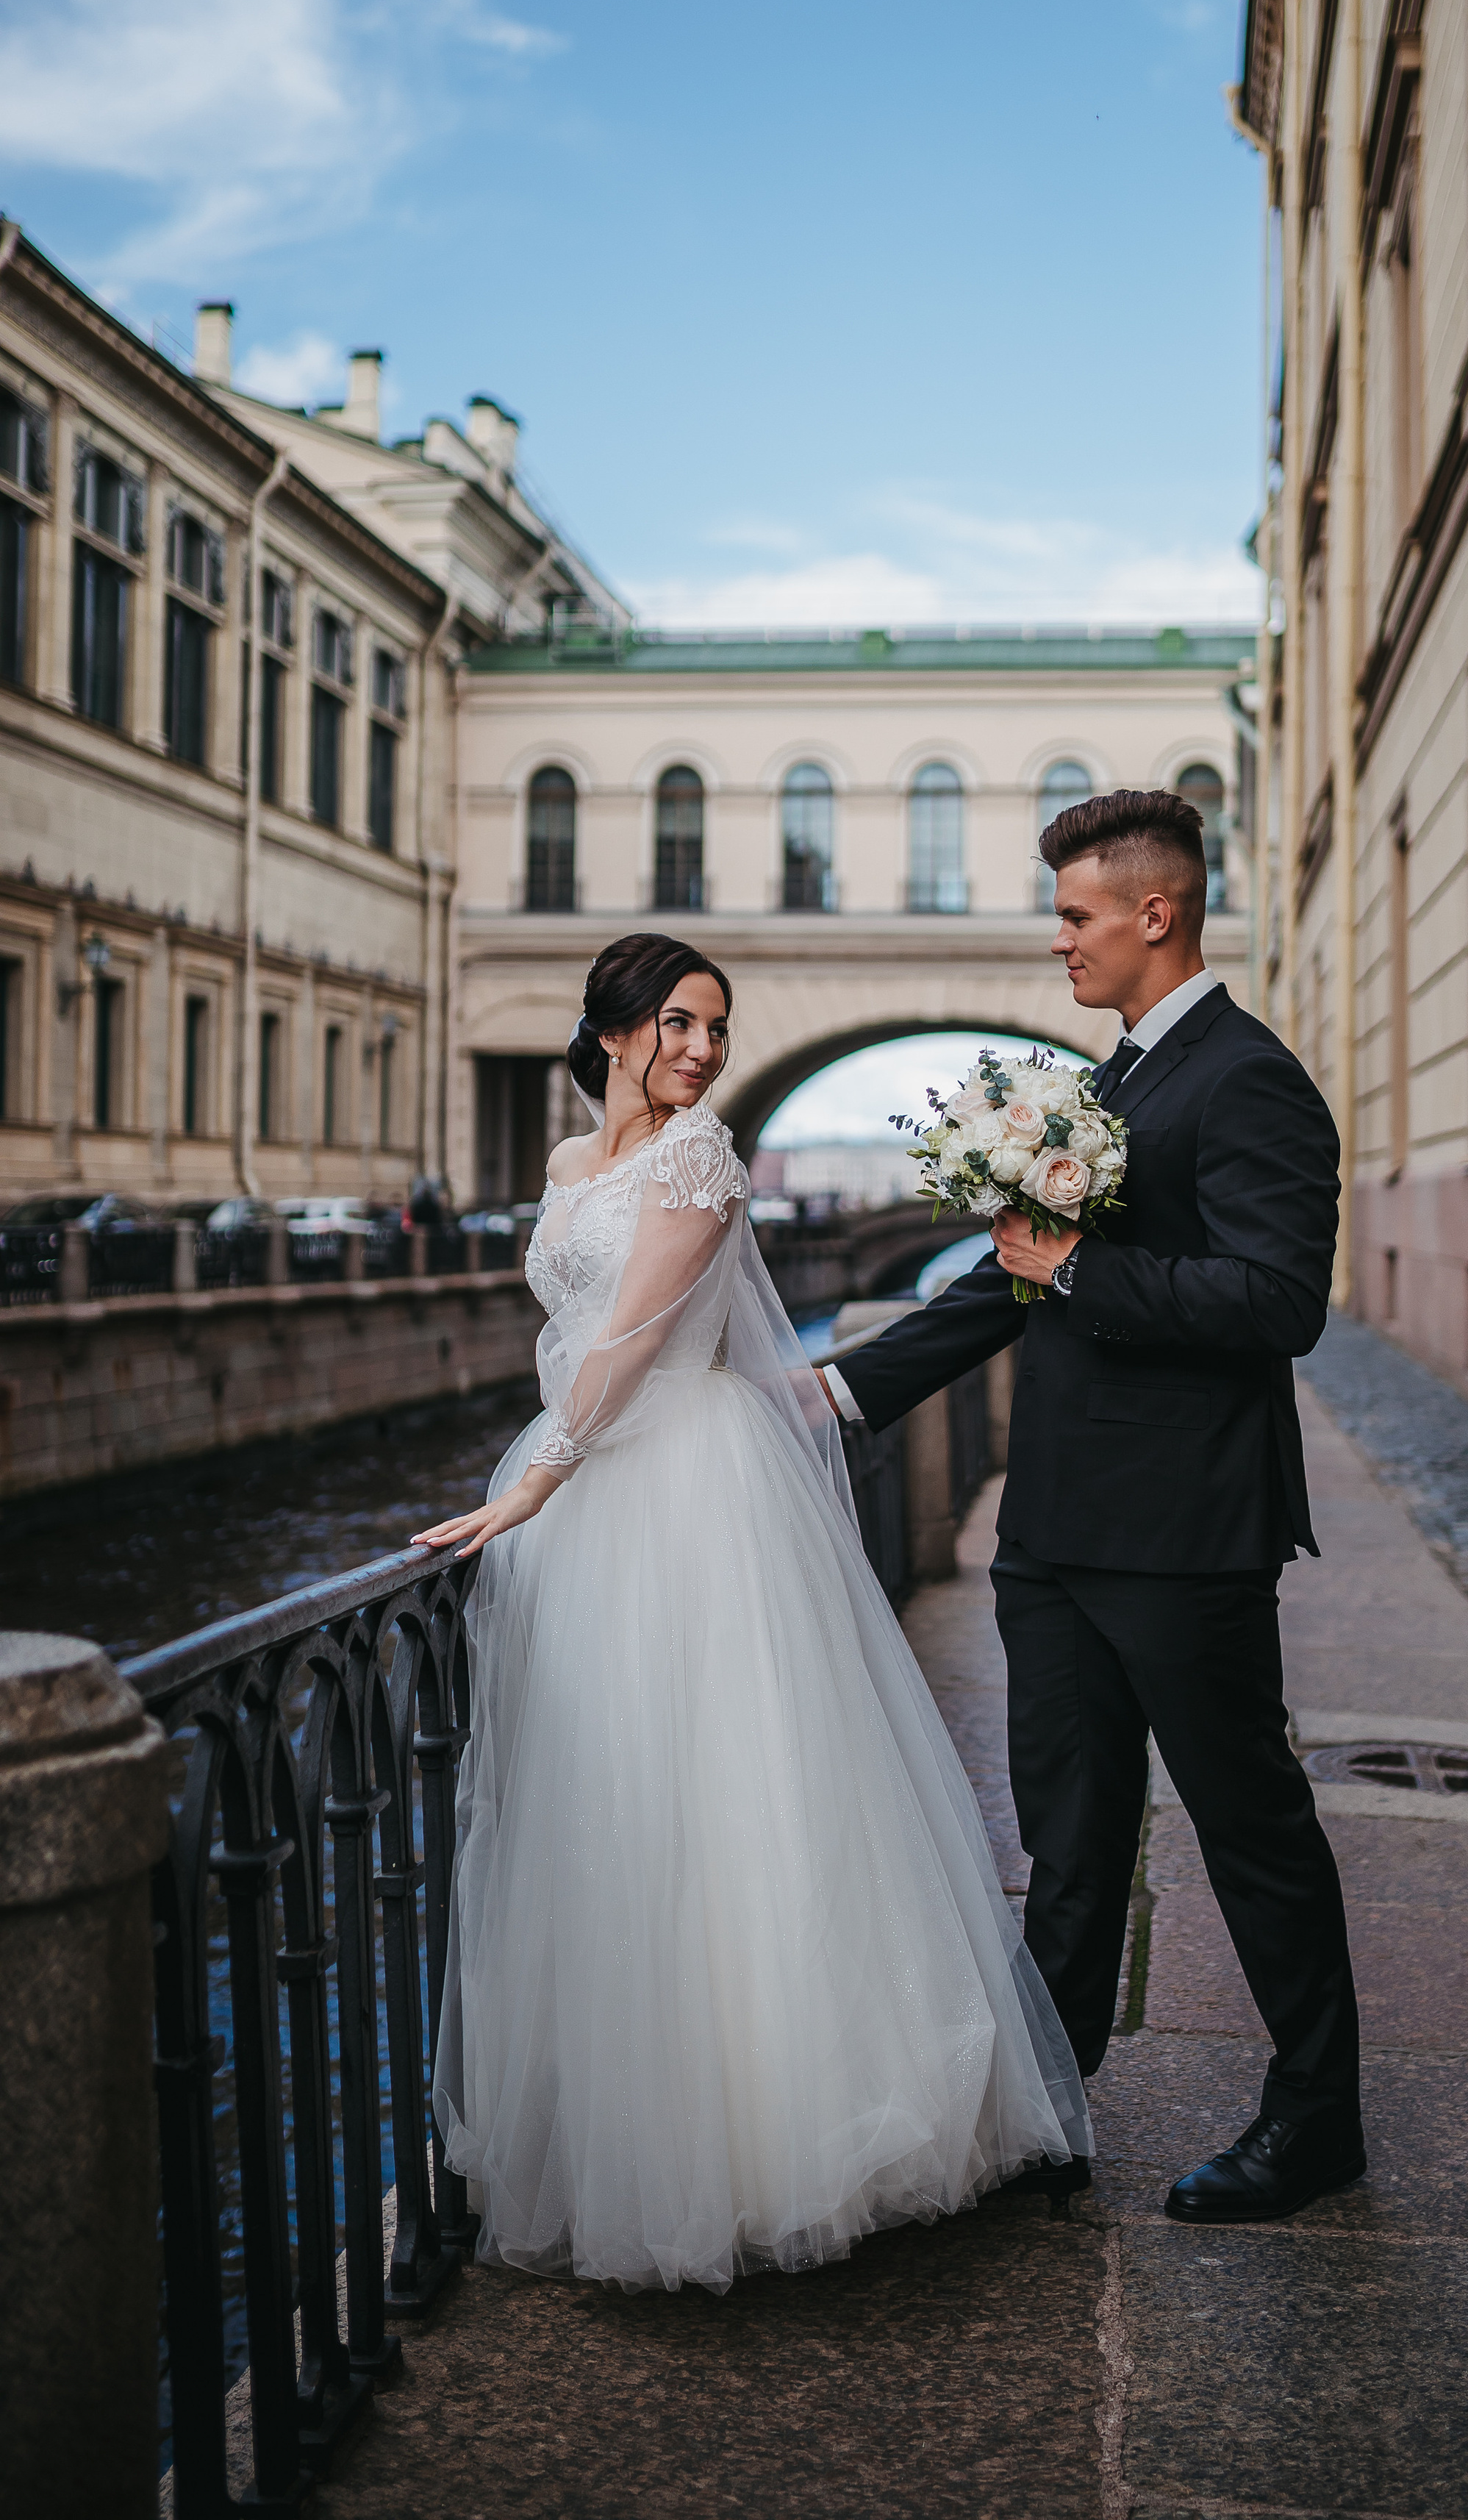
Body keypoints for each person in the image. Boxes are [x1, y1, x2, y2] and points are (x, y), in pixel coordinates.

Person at [413, 935, 1086, 2295]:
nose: (703, 1050)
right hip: (604, 1493)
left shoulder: (700, 1160)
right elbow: (579, 1333)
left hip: (684, 1491)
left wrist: (536, 1475)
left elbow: (633, 1341)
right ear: (612, 1031)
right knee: (615, 1817)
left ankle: (781, 2144)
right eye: (679, 1023)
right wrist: (553, 1475)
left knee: (733, 1803)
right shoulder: (566, 1168)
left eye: (717, 1026)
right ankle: (646, 2127)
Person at [823, 788, 1364, 2221]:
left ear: (1153, 912)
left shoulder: (1247, 1081)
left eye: (1072, 915)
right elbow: (1008, 1277)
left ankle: (1315, 2119)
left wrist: (1075, 1269)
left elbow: (1274, 1302)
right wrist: (833, 1396)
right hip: (1052, 1537)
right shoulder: (1112, 1083)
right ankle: (1045, 2115)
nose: (1056, 940)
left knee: (1250, 1830)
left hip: (1183, 1539)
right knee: (1065, 1843)